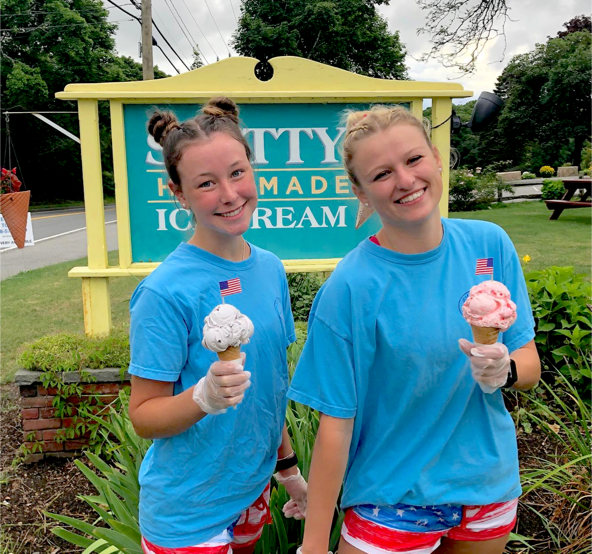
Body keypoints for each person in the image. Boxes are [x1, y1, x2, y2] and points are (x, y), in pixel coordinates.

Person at [288, 105, 541, 554]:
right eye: (382, 173)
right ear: (361, 191)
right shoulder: (350, 287)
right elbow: (335, 426)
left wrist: (504, 370)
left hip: (487, 489)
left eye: (414, 159)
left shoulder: (489, 245)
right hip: (391, 499)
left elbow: (529, 365)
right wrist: (313, 545)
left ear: (437, 159)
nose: (405, 180)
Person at [128, 97, 307, 554]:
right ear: (178, 193)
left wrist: (287, 468)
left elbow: (267, 388)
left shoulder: (269, 268)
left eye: (237, 172)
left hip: (250, 490)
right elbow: (144, 416)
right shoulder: (164, 291)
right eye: (206, 183)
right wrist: (202, 397)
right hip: (188, 510)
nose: (229, 194)